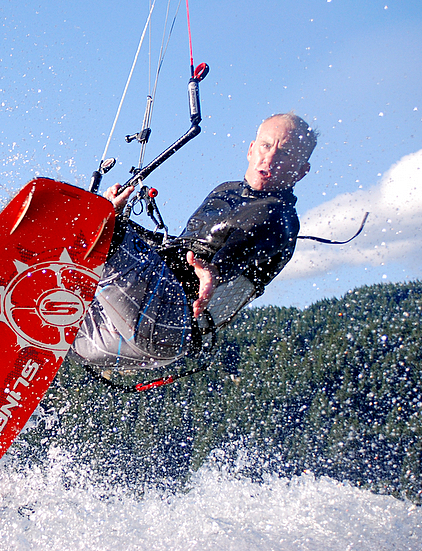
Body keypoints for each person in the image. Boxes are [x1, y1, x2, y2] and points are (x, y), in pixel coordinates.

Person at [69, 112, 316, 370]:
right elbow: (175, 251)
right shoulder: (225, 190)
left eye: (285, 153)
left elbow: (249, 246)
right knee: (57, 323)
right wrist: (120, 219)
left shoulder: (281, 219)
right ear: (251, 149)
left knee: (96, 228)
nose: (271, 157)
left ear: (301, 171)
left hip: (169, 316)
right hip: (139, 336)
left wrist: (216, 271)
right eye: (266, 145)